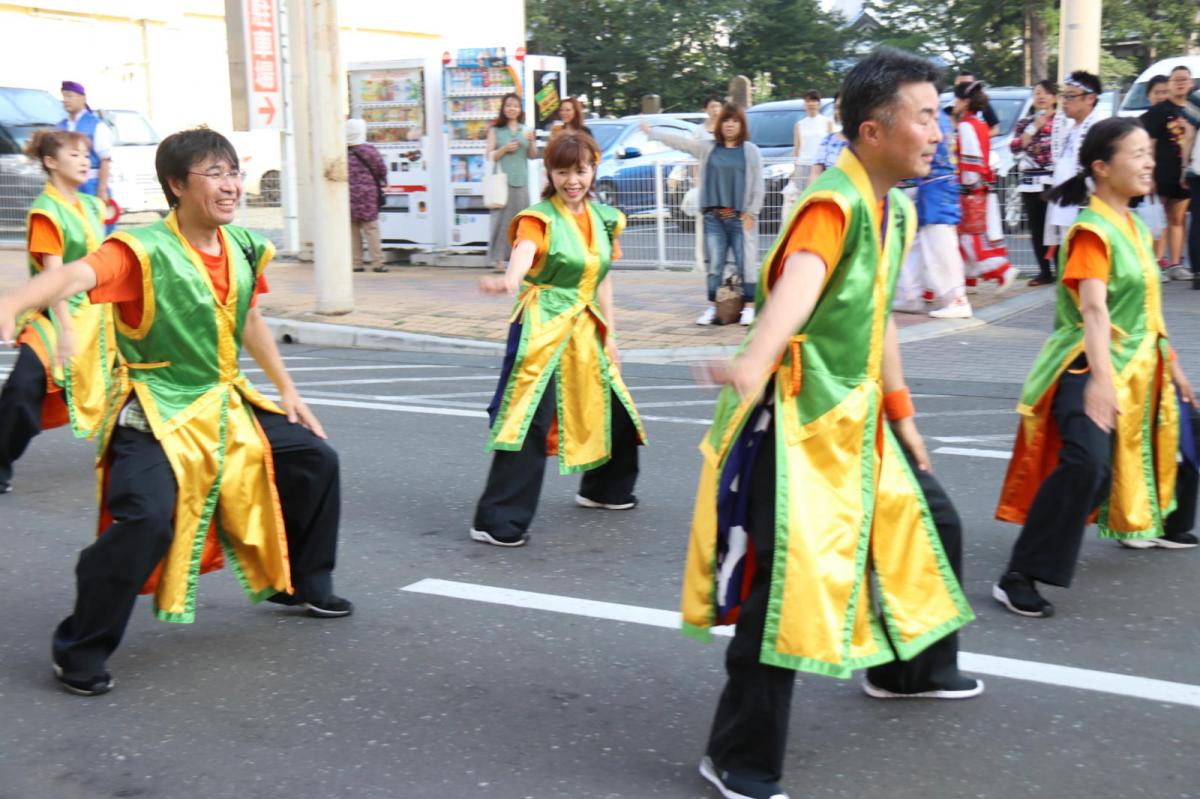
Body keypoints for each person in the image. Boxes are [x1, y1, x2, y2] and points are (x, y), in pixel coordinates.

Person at [681, 49, 980, 799]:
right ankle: (736, 757)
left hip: (858, 420)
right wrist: (753, 361)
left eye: (937, 116)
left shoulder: (896, 207)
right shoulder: (832, 204)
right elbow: (799, 285)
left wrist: (903, 414)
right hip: (797, 427)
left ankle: (909, 671)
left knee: (931, 524)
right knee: (783, 590)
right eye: (925, 118)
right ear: (873, 131)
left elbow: (879, 321)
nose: (937, 132)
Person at [0, 128, 352, 697]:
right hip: (156, 409)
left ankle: (304, 583)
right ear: (176, 185)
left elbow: (250, 318)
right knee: (146, 520)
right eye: (214, 174)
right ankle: (80, 648)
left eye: (233, 172)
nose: (230, 185)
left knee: (315, 458)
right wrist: (15, 300)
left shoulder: (244, 246)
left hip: (224, 402)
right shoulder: (140, 250)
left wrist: (287, 390)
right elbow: (73, 274)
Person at [994, 118, 1199, 620]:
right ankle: (1019, 576)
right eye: (1138, 154)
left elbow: (1148, 310)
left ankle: (1163, 522)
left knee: (1188, 428)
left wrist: (1173, 366)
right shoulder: (1091, 231)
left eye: (1150, 153)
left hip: (1142, 364)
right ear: (1102, 168)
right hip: (1089, 363)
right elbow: (1094, 311)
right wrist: (1101, 383)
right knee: (1087, 463)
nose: (1149, 163)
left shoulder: (1135, 225)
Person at [470, 132, 646, 548]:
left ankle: (605, 488)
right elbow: (525, 250)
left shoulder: (604, 218)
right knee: (530, 416)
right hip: (543, 324)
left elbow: (601, 280)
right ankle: (497, 520)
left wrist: (611, 335)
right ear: (549, 173)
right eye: (563, 171)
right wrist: (511, 279)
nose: (572, 181)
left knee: (615, 404)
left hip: (586, 323)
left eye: (580, 171)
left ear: (593, 170)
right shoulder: (539, 218)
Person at [0, 129, 115, 495]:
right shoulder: (45, 212)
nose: (84, 161)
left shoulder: (92, 206)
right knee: (24, 385)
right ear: (50, 162)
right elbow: (54, 279)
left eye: (85, 155)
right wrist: (66, 330)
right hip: (57, 315)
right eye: (74, 155)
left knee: (139, 382)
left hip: (101, 314)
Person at [643, 104, 765, 326]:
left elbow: (758, 185)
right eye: (726, 120)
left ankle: (749, 308)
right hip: (714, 217)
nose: (730, 125)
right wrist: (653, 133)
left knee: (745, 263)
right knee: (714, 265)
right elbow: (681, 143)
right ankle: (712, 307)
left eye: (735, 121)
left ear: (742, 125)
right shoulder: (708, 148)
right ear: (720, 124)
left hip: (739, 217)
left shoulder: (750, 151)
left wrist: (752, 213)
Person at [894, 101, 971, 318]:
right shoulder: (938, 117)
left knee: (940, 243)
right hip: (934, 185)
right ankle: (909, 295)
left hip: (936, 185)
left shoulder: (929, 118)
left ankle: (956, 299)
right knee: (919, 242)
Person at [954, 81, 1018, 292]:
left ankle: (1002, 270)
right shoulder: (981, 125)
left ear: (965, 102)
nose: (954, 104)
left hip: (971, 188)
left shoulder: (965, 125)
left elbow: (970, 159)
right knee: (968, 235)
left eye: (957, 99)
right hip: (981, 185)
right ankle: (968, 280)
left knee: (970, 236)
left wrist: (967, 185)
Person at [1141, 66, 1194, 279]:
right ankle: (1155, 264)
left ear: (1191, 83)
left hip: (1184, 174)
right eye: (1176, 80)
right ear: (1169, 83)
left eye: (1184, 79)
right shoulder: (1158, 111)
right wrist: (1149, 174)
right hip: (1161, 172)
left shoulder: (1193, 108)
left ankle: (1175, 264)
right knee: (1157, 220)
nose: (1180, 83)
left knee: (1178, 219)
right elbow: (1150, 144)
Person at [1045, 71, 1104, 250]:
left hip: (1086, 206)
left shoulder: (1099, 128)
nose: (1065, 101)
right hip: (1066, 205)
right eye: (1064, 96)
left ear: (1090, 98)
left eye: (1071, 96)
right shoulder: (1070, 127)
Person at [1010, 80, 1058, 286]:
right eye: (1037, 93)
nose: (1041, 96)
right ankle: (1044, 271)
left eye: (1046, 93)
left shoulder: (1061, 121)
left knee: (1056, 226)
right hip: (1030, 181)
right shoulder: (1025, 122)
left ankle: (1062, 269)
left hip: (1054, 180)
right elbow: (1015, 146)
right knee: (1037, 228)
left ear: (1054, 97)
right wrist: (1034, 127)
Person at [485, 92, 537, 274]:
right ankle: (498, 260)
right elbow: (489, 155)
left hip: (521, 180)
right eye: (508, 105)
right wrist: (505, 149)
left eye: (515, 105)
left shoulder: (526, 130)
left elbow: (532, 156)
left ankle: (519, 259)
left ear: (520, 109)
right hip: (503, 182)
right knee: (501, 222)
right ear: (503, 108)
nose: (512, 109)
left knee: (522, 222)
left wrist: (532, 142)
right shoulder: (495, 130)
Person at [57, 80, 112, 204]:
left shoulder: (96, 125)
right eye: (64, 96)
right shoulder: (60, 127)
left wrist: (102, 189)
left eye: (69, 96)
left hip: (90, 187)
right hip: (66, 188)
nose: (65, 100)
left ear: (83, 98)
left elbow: (105, 160)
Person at [346, 118, 388, 273]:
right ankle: (377, 263)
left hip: (348, 196)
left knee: (353, 230)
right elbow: (382, 170)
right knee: (371, 229)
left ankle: (356, 263)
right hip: (368, 195)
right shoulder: (370, 151)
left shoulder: (342, 152)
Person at [791, 90, 833, 189]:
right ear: (804, 104)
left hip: (821, 165)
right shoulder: (800, 124)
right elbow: (797, 148)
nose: (811, 104)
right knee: (804, 193)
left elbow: (830, 146)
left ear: (819, 104)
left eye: (814, 100)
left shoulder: (827, 122)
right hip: (803, 164)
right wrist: (794, 168)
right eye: (808, 101)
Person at [808, 92, 848, 181]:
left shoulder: (865, 141)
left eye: (845, 107)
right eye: (837, 107)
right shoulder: (828, 140)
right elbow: (815, 174)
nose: (840, 111)